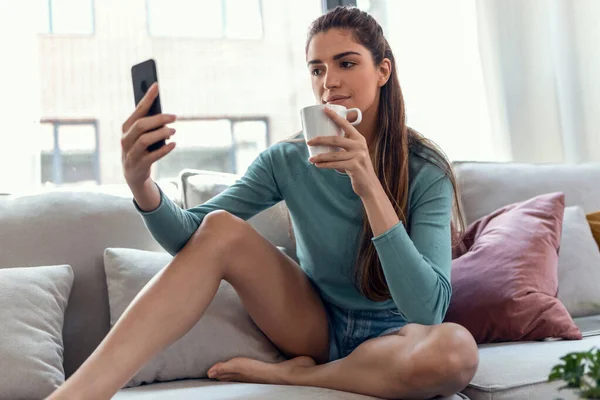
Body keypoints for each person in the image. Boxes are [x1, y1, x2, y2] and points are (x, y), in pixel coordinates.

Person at [47, 6, 478, 400]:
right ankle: (76, 395)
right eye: (317, 69)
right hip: (316, 326)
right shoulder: (287, 160)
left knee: (456, 352)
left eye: (346, 63)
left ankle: (297, 377)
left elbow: (427, 310)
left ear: (383, 70)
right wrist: (140, 183)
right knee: (219, 228)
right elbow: (190, 238)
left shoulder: (426, 169)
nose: (329, 82)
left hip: (400, 337)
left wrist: (368, 185)